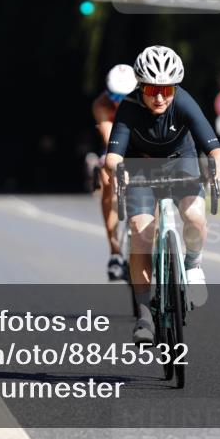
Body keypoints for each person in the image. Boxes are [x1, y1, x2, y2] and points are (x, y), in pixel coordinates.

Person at [104, 46, 220, 343]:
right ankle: (145, 315)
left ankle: (193, 265)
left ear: (175, 88)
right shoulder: (129, 108)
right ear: (140, 87)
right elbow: (113, 156)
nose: (159, 97)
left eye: (166, 90)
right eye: (151, 89)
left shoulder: (184, 102)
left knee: (195, 217)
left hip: (180, 161)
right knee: (140, 232)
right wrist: (122, 171)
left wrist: (215, 167)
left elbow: (215, 150)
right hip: (140, 170)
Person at [93, 64, 139, 280]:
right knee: (106, 180)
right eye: (113, 95)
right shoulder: (102, 105)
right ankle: (115, 252)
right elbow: (111, 140)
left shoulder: (145, 99)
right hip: (117, 148)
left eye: (124, 96)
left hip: (142, 146)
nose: (117, 101)